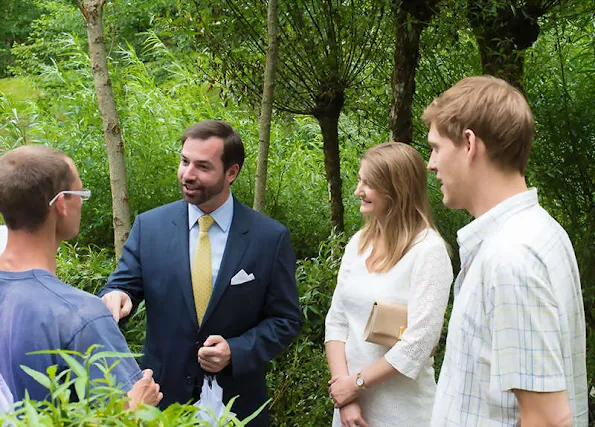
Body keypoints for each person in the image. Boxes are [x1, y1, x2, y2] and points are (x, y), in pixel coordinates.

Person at [98, 120, 302, 425]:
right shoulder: (150, 227)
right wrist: (116, 296)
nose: (187, 174)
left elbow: (286, 320)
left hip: (239, 406)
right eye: (184, 161)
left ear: (231, 172)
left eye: (202, 166)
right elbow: (122, 284)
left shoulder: (269, 238)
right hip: (161, 403)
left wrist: (236, 350)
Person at [425, 76, 588, 426]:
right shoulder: (543, 232)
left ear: (469, 143)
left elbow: (547, 420)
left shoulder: (510, 255)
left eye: (436, 147)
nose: (430, 164)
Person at [0, 145, 162, 408]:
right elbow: (121, 414)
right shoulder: (80, 315)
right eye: (80, 193)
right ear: (61, 204)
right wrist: (136, 408)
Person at [325, 142, 453, 426]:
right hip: (349, 409)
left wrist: (356, 384)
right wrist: (345, 395)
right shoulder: (358, 244)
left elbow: (419, 343)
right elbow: (336, 322)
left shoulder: (428, 251)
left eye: (368, 184)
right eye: (360, 180)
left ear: (397, 189)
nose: (358, 190)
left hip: (402, 411)